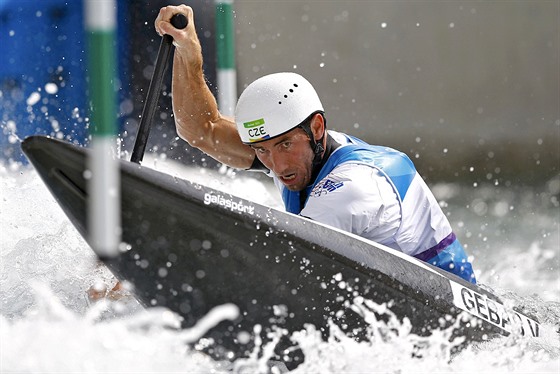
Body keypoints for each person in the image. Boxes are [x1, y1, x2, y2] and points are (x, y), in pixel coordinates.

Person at [154, 5, 476, 284]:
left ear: (317, 128)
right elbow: (201, 129)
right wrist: (187, 52)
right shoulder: (301, 151)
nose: (277, 167)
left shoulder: (352, 188)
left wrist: (167, 257)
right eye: (261, 150)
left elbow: (281, 265)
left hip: (456, 327)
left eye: (283, 145)